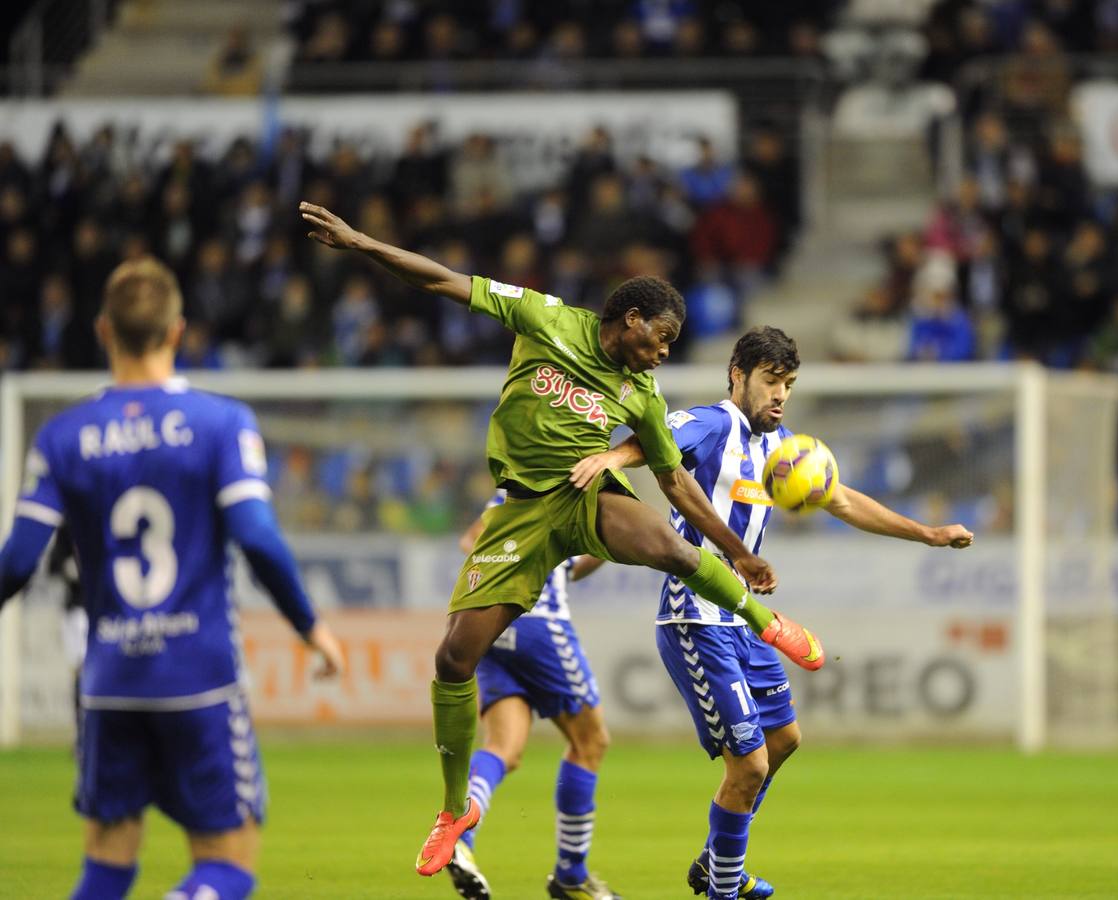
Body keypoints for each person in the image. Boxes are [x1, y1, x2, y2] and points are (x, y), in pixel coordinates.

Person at [297, 202, 823, 892]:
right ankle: (453, 814)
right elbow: (444, 281)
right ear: (629, 320)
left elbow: (676, 485)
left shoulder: (640, 393)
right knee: (453, 657)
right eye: (660, 338)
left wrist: (740, 555)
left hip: (582, 499)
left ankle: (768, 626)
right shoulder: (547, 319)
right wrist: (363, 242)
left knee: (666, 544)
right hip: (519, 515)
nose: (664, 352)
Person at [571, 327, 974, 900]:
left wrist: (928, 533)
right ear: (738, 374)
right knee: (751, 765)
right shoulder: (715, 423)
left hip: (744, 619)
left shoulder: (785, 449)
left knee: (784, 740)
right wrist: (613, 455)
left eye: (788, 383)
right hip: (696, 618)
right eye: (770, 381)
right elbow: (655, 438)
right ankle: (724, 888)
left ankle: (716, 862)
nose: (780, 394)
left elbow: (843, 498)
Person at [0, 257, 346, 900]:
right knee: (229, 863)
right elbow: (257, 538)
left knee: (107, 863)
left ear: (104, 331)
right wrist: (309, 625)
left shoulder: (61, 436)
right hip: (199, 678)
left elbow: (19, 561)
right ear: (178, 330)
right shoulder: (221, 424)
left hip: (107, 682)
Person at [447, 492, 615, 900]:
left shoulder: (507, 494)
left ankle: (459, 841)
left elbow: (470, 541)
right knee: (590, 741)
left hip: (487, 623)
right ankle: (570, 876)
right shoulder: (567, 486)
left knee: (505, 747)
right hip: (539, 623)